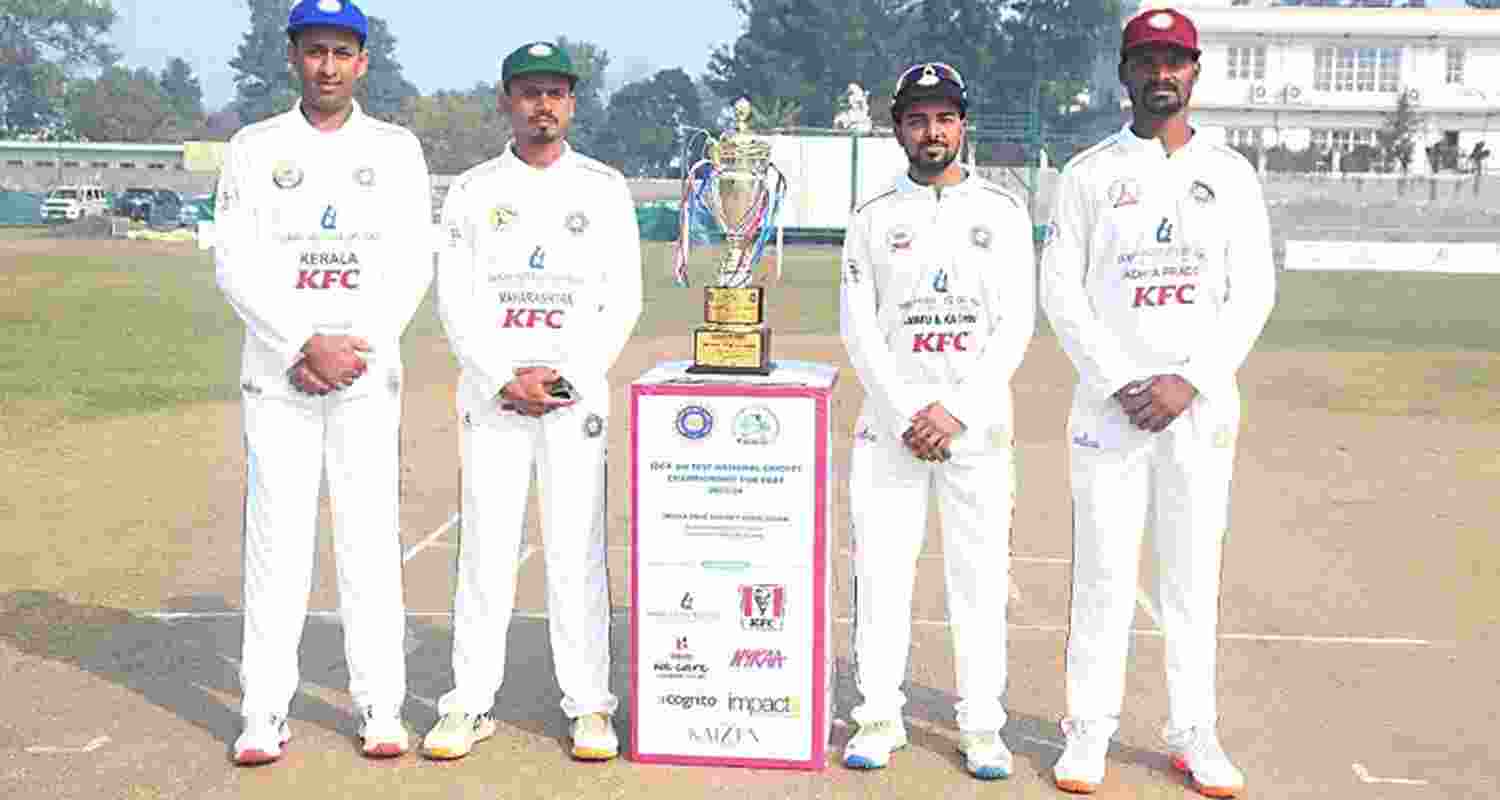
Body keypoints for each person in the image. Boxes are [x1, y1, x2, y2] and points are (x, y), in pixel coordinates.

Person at [1039, 8, 1275, 797]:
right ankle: (1087, 730)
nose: (1161, 75)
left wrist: (1190, 378)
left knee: (1190, 575)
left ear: (1195, 74)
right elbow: (1061, 293)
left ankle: (1193, 730)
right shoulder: (1089, 174)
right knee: (1102, 573)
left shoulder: (1232, 174)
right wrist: (1119, 379)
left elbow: (1253, 293)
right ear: (1125, 73)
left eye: (1175, 62)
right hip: (1111, 409)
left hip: (1198, 410)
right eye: (1147, 61)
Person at [213, 0, 433, 766]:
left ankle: (380, 705)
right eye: (315, 51)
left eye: (343, 51)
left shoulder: (397, 150)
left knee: (368, 538)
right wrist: (305, 342)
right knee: (277, 542)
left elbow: (411, 263)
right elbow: (234, 262)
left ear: (363, 61)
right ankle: (264, 709)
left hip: (366, 374)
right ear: (294, 57)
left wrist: (352, 347)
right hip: (279, 373)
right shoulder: (253, 147)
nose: (329, 66)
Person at [420, 41, 642, 763]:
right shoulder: (474, 189)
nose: (542, 105)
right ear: (505, 102)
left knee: (577, 549)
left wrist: (568, 375)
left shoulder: (604, 187)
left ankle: (589, 706)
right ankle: (468, 702)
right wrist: (501, 377)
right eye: (528, 92)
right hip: (496, 398)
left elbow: (622, 298)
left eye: (554, 92)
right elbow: (455, 296)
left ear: (572, 103)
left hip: (574, 398)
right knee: (487, 547)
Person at [838, 61, 1035, 779]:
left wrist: (954, 410)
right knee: (882, 577)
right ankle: (878, 715)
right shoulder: (872, 217)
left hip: (975, 427)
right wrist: (905, 412)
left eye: (944, 117)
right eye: (917, 119)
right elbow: (859, 329)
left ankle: (982, 723)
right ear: (898, 129)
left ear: (962, 124)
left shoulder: (1003, 211)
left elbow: (1016, 325)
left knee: (978, 579)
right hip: (890, 428)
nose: (932, 131)